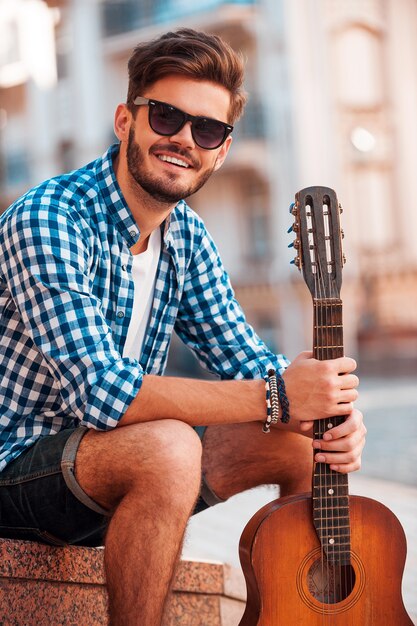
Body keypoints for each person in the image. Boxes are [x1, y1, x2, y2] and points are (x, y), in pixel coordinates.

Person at [0, 28, 365, 626]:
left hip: (112, 471)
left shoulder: (187, 237)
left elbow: (247, 361)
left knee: (303, 441)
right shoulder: (49, 217)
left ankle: (299, 616)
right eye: (166, 117)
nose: (183, 141)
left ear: (221, 150)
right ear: (126, 121)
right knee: (169, 446)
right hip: (17, 472)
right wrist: (278, 395)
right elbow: (102, 393)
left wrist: (330, 414)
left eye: (207, 130)